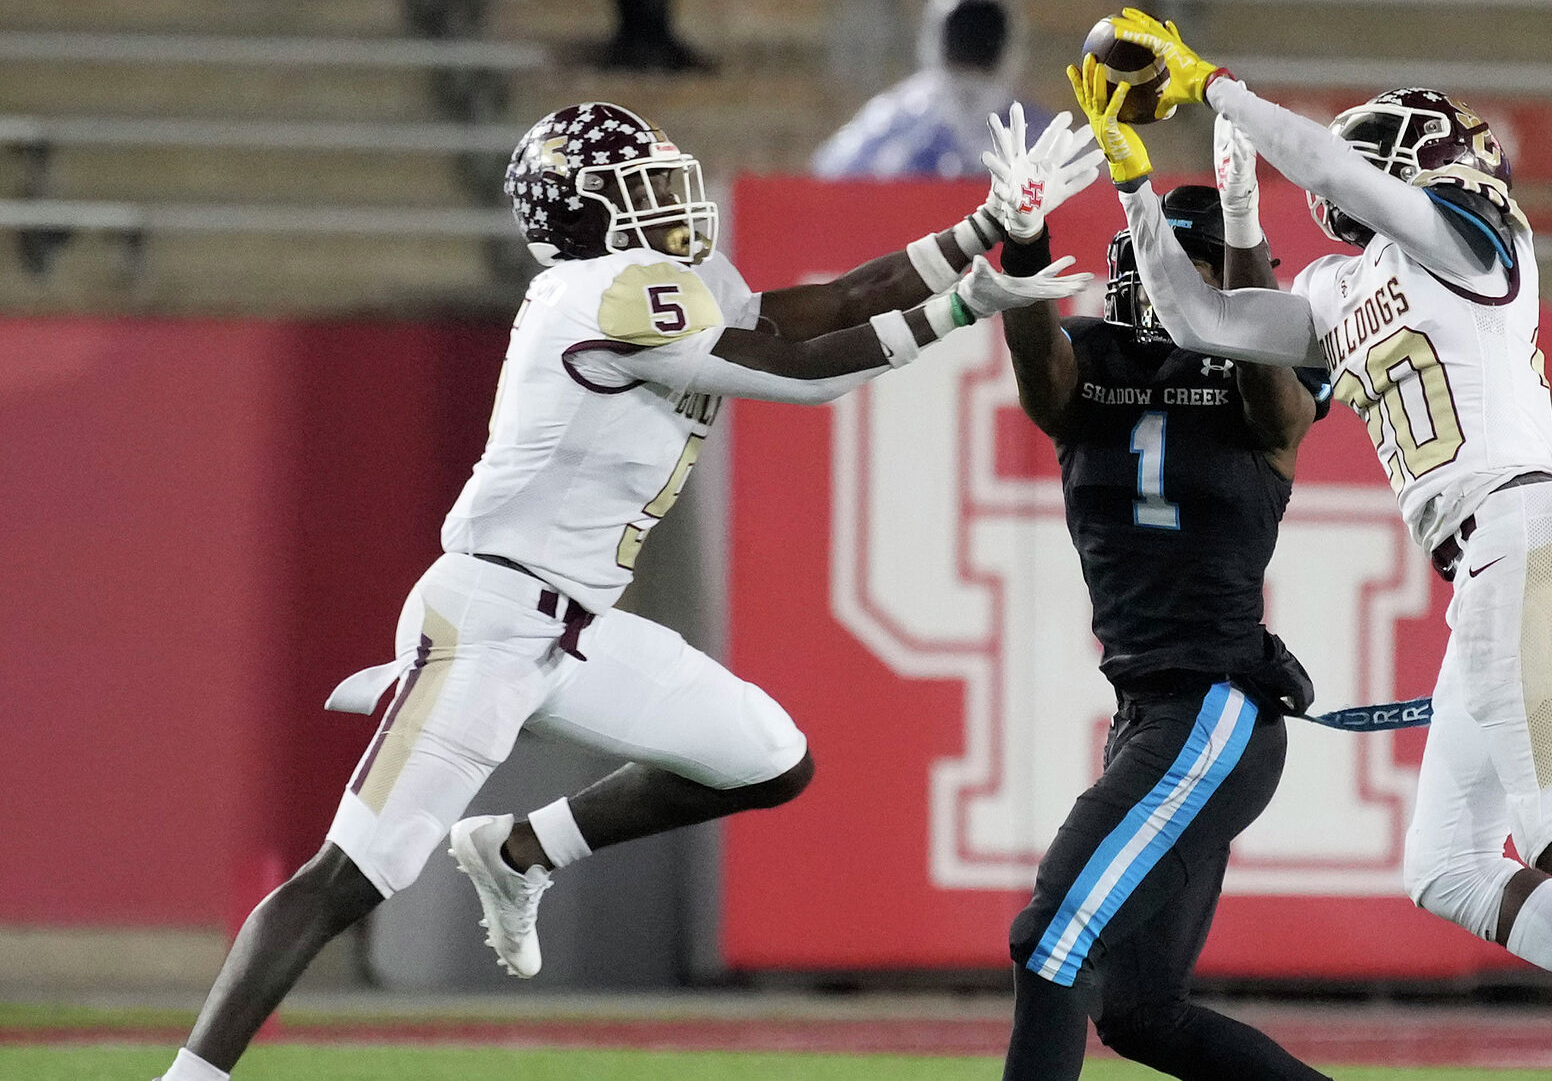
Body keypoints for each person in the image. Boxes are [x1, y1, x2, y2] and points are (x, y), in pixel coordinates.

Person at [149, 100, 1088, 1081]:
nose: (670, 199)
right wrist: (962, 307)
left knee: (768, 759)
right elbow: (802, 369)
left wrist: (986, 225)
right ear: (579, 212)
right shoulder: (595, 291)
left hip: (576, 627)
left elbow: (836, 303)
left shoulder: (669, 283)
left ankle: (520, 850)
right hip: (490, 619)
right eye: (639, 186)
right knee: (346, 878)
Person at [1069, 14, 1552, 1081]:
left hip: (1523, 530)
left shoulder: (1478, 245)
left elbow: (1333, 169)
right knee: (1447, 865)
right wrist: (1131, 181)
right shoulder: (1339, 288)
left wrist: (1217, 90)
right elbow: (1201, 320)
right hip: (1488, 564)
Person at [986, 100, 1334, 1081]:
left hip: (1213, 711)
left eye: (1179, 266)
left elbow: (1272, 389)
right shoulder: (1090, 364)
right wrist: (1024, 241)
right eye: (1144, 259)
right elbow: (1038, 364)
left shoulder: (1262, 382)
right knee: (1140, 1012)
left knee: (1050, 940)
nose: (1149, 278)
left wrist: (1242, 236)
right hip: (1150, 708)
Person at [812, 0, 1043, 179]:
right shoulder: (894, 123)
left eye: (983, 33)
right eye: (963, 32)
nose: (972, 42)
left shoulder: (1035, 133)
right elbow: (828, 181)